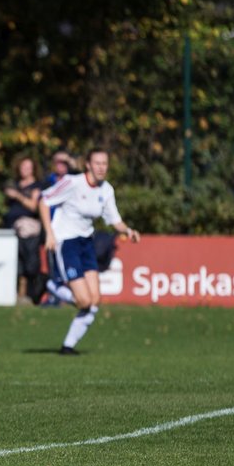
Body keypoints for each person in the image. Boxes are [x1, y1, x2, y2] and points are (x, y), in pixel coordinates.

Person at [39, 148, 140, 354]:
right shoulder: (73, 183)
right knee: (83, 300)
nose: (102, 168)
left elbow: (115, 220)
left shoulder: (107, 190)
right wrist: (49, 233)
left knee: (94, 301)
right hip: (66, 242)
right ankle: (51, 285)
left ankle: (68, 346)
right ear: (88, 165)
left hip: (86, 243)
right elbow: (43, 200)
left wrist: (128, 231)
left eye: (105, 163)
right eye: (97, 163)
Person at [2, 155, 44, 305]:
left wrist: (17, 196)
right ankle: (16, 295)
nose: (24, 170)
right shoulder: (15, 184)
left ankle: (33, 294)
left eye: (28, 167)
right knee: (16, 264)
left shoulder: (36, 187)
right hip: (12, 229)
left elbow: (34, 206)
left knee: (30, 265)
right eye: (22, 167)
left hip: (29, 230)